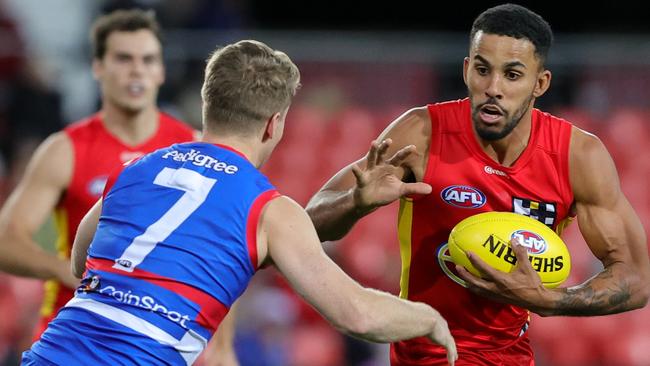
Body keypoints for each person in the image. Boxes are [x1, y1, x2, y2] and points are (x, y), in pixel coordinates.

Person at [21, 40, 457, 365]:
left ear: (210, 105)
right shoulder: (268, 207)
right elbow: (357, 315)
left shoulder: (136, 169)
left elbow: (81, 263)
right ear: (274, 124)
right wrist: (430, 319)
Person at [305, 4, 650, 365]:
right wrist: (355, 203)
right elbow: (310, 220)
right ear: (467, 70)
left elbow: (635, 280)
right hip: (423, 355)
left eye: (512, 75)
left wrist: (549, 301)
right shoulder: (421, 134)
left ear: (540, 83)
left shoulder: (577, 155)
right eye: (483, 70)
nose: (493, 88)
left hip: (512, 357)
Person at [0, 8, 196, 339]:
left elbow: (220, 256)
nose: (137, 71)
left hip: (159, 343)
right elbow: (6, 241)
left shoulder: (194, 149)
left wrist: (221, 349)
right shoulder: (65, 150)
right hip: (73, 340)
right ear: (98, 67)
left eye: (148, 60)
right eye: (123, 59)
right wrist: (62, 269)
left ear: (161, 71)